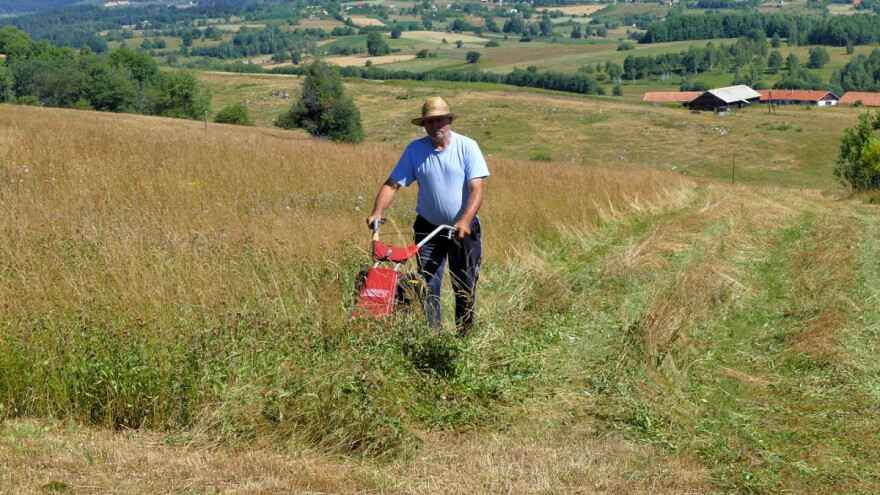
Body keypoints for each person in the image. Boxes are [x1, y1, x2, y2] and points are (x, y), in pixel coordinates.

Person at [367, 96, 490, 336]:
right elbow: (393, 184)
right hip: (428, 228)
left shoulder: (467, 147)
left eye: (439, 120)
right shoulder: (415, 150)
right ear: (424, 125)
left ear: (449, 121)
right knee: (427, 284)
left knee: (464, 284)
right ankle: (434, 336)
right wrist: (377, 212)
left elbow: (477, 189)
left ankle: (464, 335)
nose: (435, 126)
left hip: (462, 230)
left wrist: (465, 219)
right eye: (429, 122)